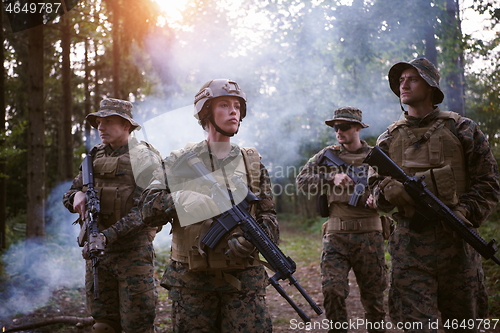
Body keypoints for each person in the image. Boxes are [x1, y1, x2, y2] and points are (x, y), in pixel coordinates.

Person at [368, 57, 499, 332]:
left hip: (458, 247)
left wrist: (463, 212)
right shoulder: (387, 139)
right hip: (410, 249)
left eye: (412, 79)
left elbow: (488, 184)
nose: (404, 84)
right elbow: (373, 191)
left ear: (430, 86)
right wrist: (386, 190)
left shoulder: (463, 129)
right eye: (400, 80)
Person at [139, 79, 279, 333]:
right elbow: (148, 207)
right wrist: (186, 201)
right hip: (192, 284)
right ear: (206, 112)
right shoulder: (178, 161)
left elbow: (269, 217)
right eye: (224, 105)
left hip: (243, 284)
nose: (233, 111)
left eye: (237, 106)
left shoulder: (252, 164)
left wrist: (253, 240)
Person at [62, 98, 163, 333]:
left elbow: (148, 211)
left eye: (108, 121)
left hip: (133, 255)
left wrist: (107, 236)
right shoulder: (94, 156)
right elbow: (70, 193)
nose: (100, 127)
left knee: (137, 325)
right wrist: (76, 197)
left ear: (126, 125)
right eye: (99, 121)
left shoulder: (145, 158)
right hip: (99, 256)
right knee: (103, 324)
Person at [296, 106, 388, 333]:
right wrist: (331, 177)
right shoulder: (327, 155)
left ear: (357, 128)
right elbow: (302, 180)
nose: (339, 131)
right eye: (336, 127)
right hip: (336, 235)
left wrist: (379, 200)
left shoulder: (376, 157)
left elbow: (393, 186)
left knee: (374, 299)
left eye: (344, 127)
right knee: (332, 291)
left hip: (369, 236)